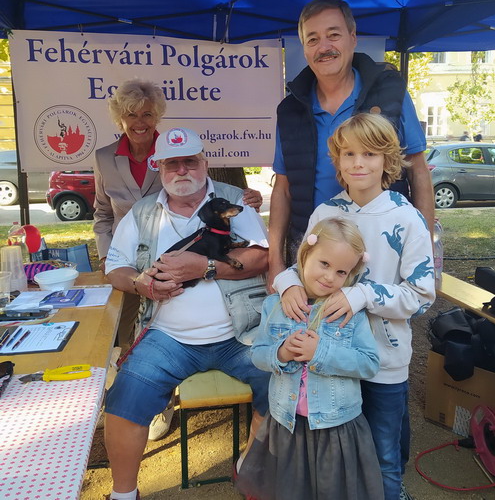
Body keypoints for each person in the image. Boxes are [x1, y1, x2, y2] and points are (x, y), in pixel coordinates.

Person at [273, 113, 435, 500]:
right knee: (338, 455)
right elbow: (304, 268)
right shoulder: (324, 213)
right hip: (329, 358)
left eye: (369, 154)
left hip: (383, 362)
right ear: (338, 160)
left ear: (387, 160)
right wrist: (287, 283)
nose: (358, 163)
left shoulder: (406, 218)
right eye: (349, 154)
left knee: (383, 456)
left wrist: (362, 294)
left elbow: (421, 295)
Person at [103, 127, 270, 500]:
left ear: (205, 163)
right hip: (167, 338)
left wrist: (205, 267)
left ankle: (250, 469)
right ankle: (123, 494)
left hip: (241, 333)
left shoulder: (234, 200)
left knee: (282, 384)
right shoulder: (143, 212)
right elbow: (115, 268)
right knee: (126, 397)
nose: (182, 170)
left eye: (190, 161)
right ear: (158, 167)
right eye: (172, 163)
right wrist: (142, 284)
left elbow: (261, 257)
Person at [269, 0, 434, 286]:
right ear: (304, 49)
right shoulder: (290, 110)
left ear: (353, 38)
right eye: (313, 39)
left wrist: (425, 257)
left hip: (382, 250)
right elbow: (282, 189)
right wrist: (275, 264)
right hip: (315, 256)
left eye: (333, 35)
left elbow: (418, 171)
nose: (324, 47)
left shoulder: (390, 95)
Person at [94, 78, 262, 352]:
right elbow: (102, 213)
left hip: (179, 255)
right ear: (119, 118)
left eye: (147, 114)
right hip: (130, 254)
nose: (140, 122)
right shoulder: (104, 158)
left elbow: (205, 192)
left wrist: (243, 198)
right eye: (131, 114)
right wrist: (108, 259)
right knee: (127, 334)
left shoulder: (174, 150)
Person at [235, 217, 383, 500]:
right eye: (324, 264)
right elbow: (258, 354)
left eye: (341, 272)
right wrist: (281, 353)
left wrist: (321, 353)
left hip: (335, 427)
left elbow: (369, 363)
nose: (330, 277)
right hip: (287, 425)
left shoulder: (350, 314)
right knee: (291, 489)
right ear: (305, 254)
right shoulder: (275, 305)